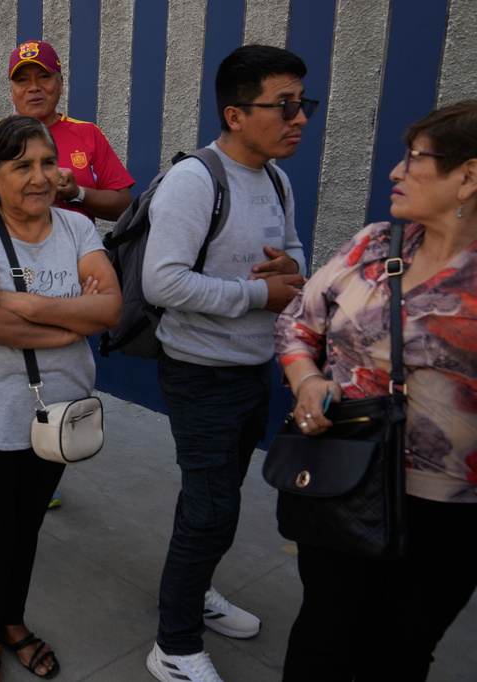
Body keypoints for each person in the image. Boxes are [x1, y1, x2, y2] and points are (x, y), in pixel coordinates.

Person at [274, 100, 477, 682]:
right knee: (324, 630)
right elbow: (297, 322)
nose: (395, 171)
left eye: (415, 159)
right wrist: (308, 381)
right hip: (344, 473)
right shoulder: (372, 244)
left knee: (401, 649)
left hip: (447, 512)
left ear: (468, 175)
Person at [141, 44, 312, 682]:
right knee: (210, 507)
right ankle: (175, 645)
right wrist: (256, 294)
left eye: (304, 105)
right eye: (284, 105)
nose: (298, 118)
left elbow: (293, 252)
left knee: (218, 501)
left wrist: (292, 272)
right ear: (236, 114)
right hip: (199, 373)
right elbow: (163, 283)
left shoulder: (274, 177)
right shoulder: (195, 180)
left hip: (251, 369)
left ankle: (194, 593)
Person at [0, 115, 121, 681]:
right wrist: (72, 325)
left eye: (48, 163)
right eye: (22, 166)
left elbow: (112, 308)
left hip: (59, 412)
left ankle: (11, 620)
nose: (40, 176)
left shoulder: (76, 228)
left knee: (27, 528)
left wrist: (25, 305)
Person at [0, 39, 135, 541]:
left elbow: (122, 203)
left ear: (59, 81)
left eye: (43, 76)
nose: (34, 87)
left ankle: (38, 463)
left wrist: (75, 194)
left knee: (43, 417)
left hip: (74, 265)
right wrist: (21, 208)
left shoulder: (87, 136)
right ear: (11, 87)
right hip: (11, 273)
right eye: (22, 79)